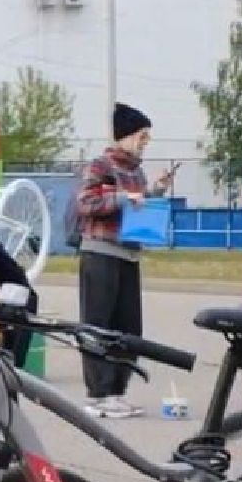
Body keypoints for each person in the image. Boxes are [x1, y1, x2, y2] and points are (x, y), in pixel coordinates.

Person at [73, 103, 174, 418]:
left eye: (147, 137)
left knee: (128, 327)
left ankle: (117, 391)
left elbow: (138, 207)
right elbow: (86, 202)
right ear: (125, 135)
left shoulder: (135, 171)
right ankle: (97, 394)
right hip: (100, 252)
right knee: (97, 323)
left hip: (129, 253)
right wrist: (121, 197)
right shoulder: (101, 166)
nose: (145, 142)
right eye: (142, 136)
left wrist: (155, 191)